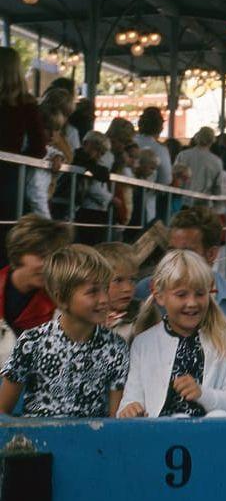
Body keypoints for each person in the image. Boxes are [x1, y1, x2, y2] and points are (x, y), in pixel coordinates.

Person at [0, 245, 129, 417]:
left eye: (105, 289)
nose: (104, 299)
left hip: (93, 442)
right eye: (92, 292)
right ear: (61, 298)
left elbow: (116, 419)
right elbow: (2, 411)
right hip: (37, 442)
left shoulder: (116, 347)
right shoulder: (31, 342)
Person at [118, 249, 226, 419]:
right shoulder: (143, 343)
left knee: (219, 415)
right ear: (160, 296)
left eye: (200, 294)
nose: (191, 303)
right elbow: (130, 400)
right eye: (181, 295)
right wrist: (130, 409)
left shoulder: (224, 338)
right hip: (161, 435)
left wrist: (202, 394)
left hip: (208, 435)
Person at [134, 206, 226, 379]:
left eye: (187, 252)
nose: (176, 259)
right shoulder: (145, 290)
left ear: (211, 254)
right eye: (171, 250)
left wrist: (202, 385)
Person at [0, 48, 47, 263]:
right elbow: (39, 148)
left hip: (10, 171)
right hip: (9, 175)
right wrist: (18, 157)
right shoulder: (26, 104)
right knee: (6, 234)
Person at [0, 216, 71, 348]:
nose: (49, 265)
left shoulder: (61, 303)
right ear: (19, 253)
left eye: (54, 258)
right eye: (42, 256)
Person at [24, 104, 66, 218]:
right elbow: (35, 191)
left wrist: (58, 156)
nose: (52, 135)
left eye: (56, 129)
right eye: (47, 128)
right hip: (32, 205)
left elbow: (51, 151)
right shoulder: (29, 146)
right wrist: (46, 220)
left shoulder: (50, 150)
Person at [73, 130, 112, 245]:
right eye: (97, 150)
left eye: (102, 153)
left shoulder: (89, 162)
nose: (98, 156)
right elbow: (101, 173)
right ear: (86, 144)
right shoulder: (77, 156)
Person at [134, 106, 172, 222]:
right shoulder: (160, 149)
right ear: (160, 127)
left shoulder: (129, 141)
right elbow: (166, 179)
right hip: (146, 202)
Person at [97, 241, 139, 343]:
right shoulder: (83, 318)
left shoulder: (142, 318)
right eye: (118, 280)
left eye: (132, 280)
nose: (128, 288)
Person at [174, 126, 223, 204]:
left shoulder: (183, 155)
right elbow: (218, 187)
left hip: (183, 202)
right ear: (212, 141)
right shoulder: (216, 161)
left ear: (197, 138)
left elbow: (175, 178)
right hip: (204, 204)